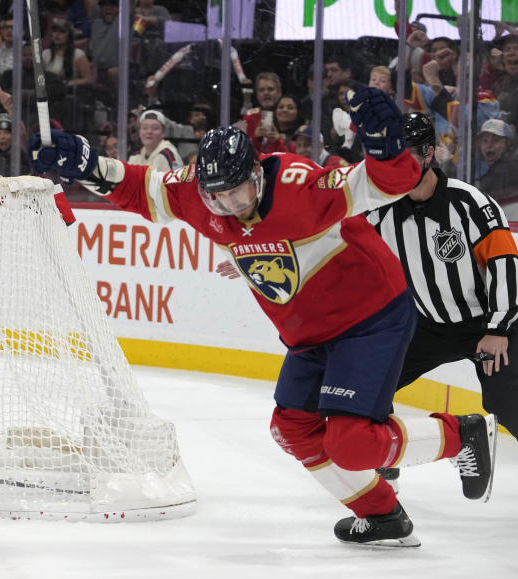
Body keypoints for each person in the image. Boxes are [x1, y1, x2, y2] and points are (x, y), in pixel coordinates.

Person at [29, 87, 499, 546]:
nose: (232, 206)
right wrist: (88, 164)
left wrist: (386, 147)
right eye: (219, 198)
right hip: (310, 336)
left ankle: (464, 433)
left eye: (239, 192)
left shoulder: (300, 186)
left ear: (257, 171)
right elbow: (142, 189)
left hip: (370, 319)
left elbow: (385, 183)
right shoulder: (200, 192)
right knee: (292, 430)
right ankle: (381, 516)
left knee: (351, 443)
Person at [364, 112, 518, 446]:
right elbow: (330, 240)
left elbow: (504, 262)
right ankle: (387, 459)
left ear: (428, 153)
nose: (394, 168)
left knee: (508, 404)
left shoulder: (470, 203)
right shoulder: (379, 211)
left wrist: (497, 329)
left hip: (487, 323)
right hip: (428, 326)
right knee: (367, 388)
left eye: (403, 157)